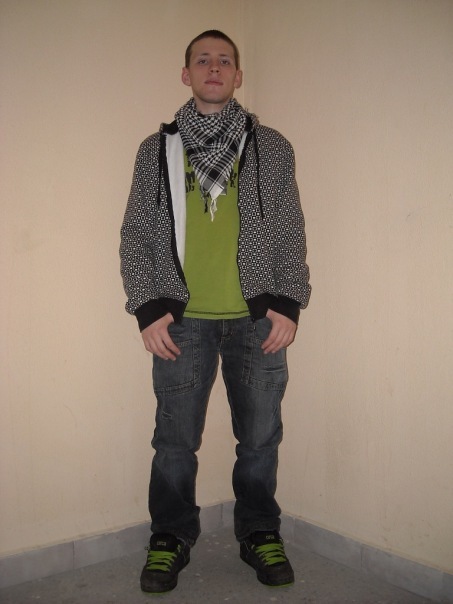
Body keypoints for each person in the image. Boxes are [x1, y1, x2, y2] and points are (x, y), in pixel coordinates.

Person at [120, 29, 311, 594]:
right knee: (174, 441)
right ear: (186, 74)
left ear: (237, 75)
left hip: (259, 320)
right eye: (202, 59)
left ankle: (259, 530)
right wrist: (148, 308)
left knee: (260, 438)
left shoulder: (271, 146)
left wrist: (287, 302)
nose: (214, 67)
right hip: (180, 322)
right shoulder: (156, 150)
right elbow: (135, 234)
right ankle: (169, 536)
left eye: (224, 60)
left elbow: (290, 229)